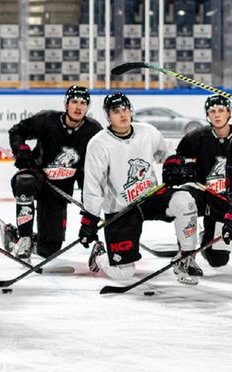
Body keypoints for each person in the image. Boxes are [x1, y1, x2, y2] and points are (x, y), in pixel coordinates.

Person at [79, 93, 206, 284]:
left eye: (125, 109)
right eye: (116, 112)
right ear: (108, 116)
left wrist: (173, 162)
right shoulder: (99, 143)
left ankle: (185, 258)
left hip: (150, 197)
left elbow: (167, 153)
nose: (122, 115)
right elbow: (93, 184)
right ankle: (99, 254)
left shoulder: (147, 131)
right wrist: (89, 218)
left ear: (131, 110)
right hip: (121, 208)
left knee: (185, 200)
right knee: (123, 273)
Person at [5, 85, 103, 260]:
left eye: (83, 103)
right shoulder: (47, 119)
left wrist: (89, 201)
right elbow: (17, 131)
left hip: (59, 190)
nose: (78, 107)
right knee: (24, 182)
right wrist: (21, 149)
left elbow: (96, 164)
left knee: (50, 250)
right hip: (37, 177)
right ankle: (25, 238)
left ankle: (14, 237)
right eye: (74, 102)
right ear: (66, 104)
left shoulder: (93, 130)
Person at [176, 94, 232, 270]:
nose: (217, 115)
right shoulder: (196, 137)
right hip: (202, 193)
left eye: (221, 110)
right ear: (207, 115)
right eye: (212, 111)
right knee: (182, 200)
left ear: (229, 113)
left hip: (226, 201)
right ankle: (185, 249)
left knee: (218, 260)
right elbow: (180, 159)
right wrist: (182, 168)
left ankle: (208, 236)